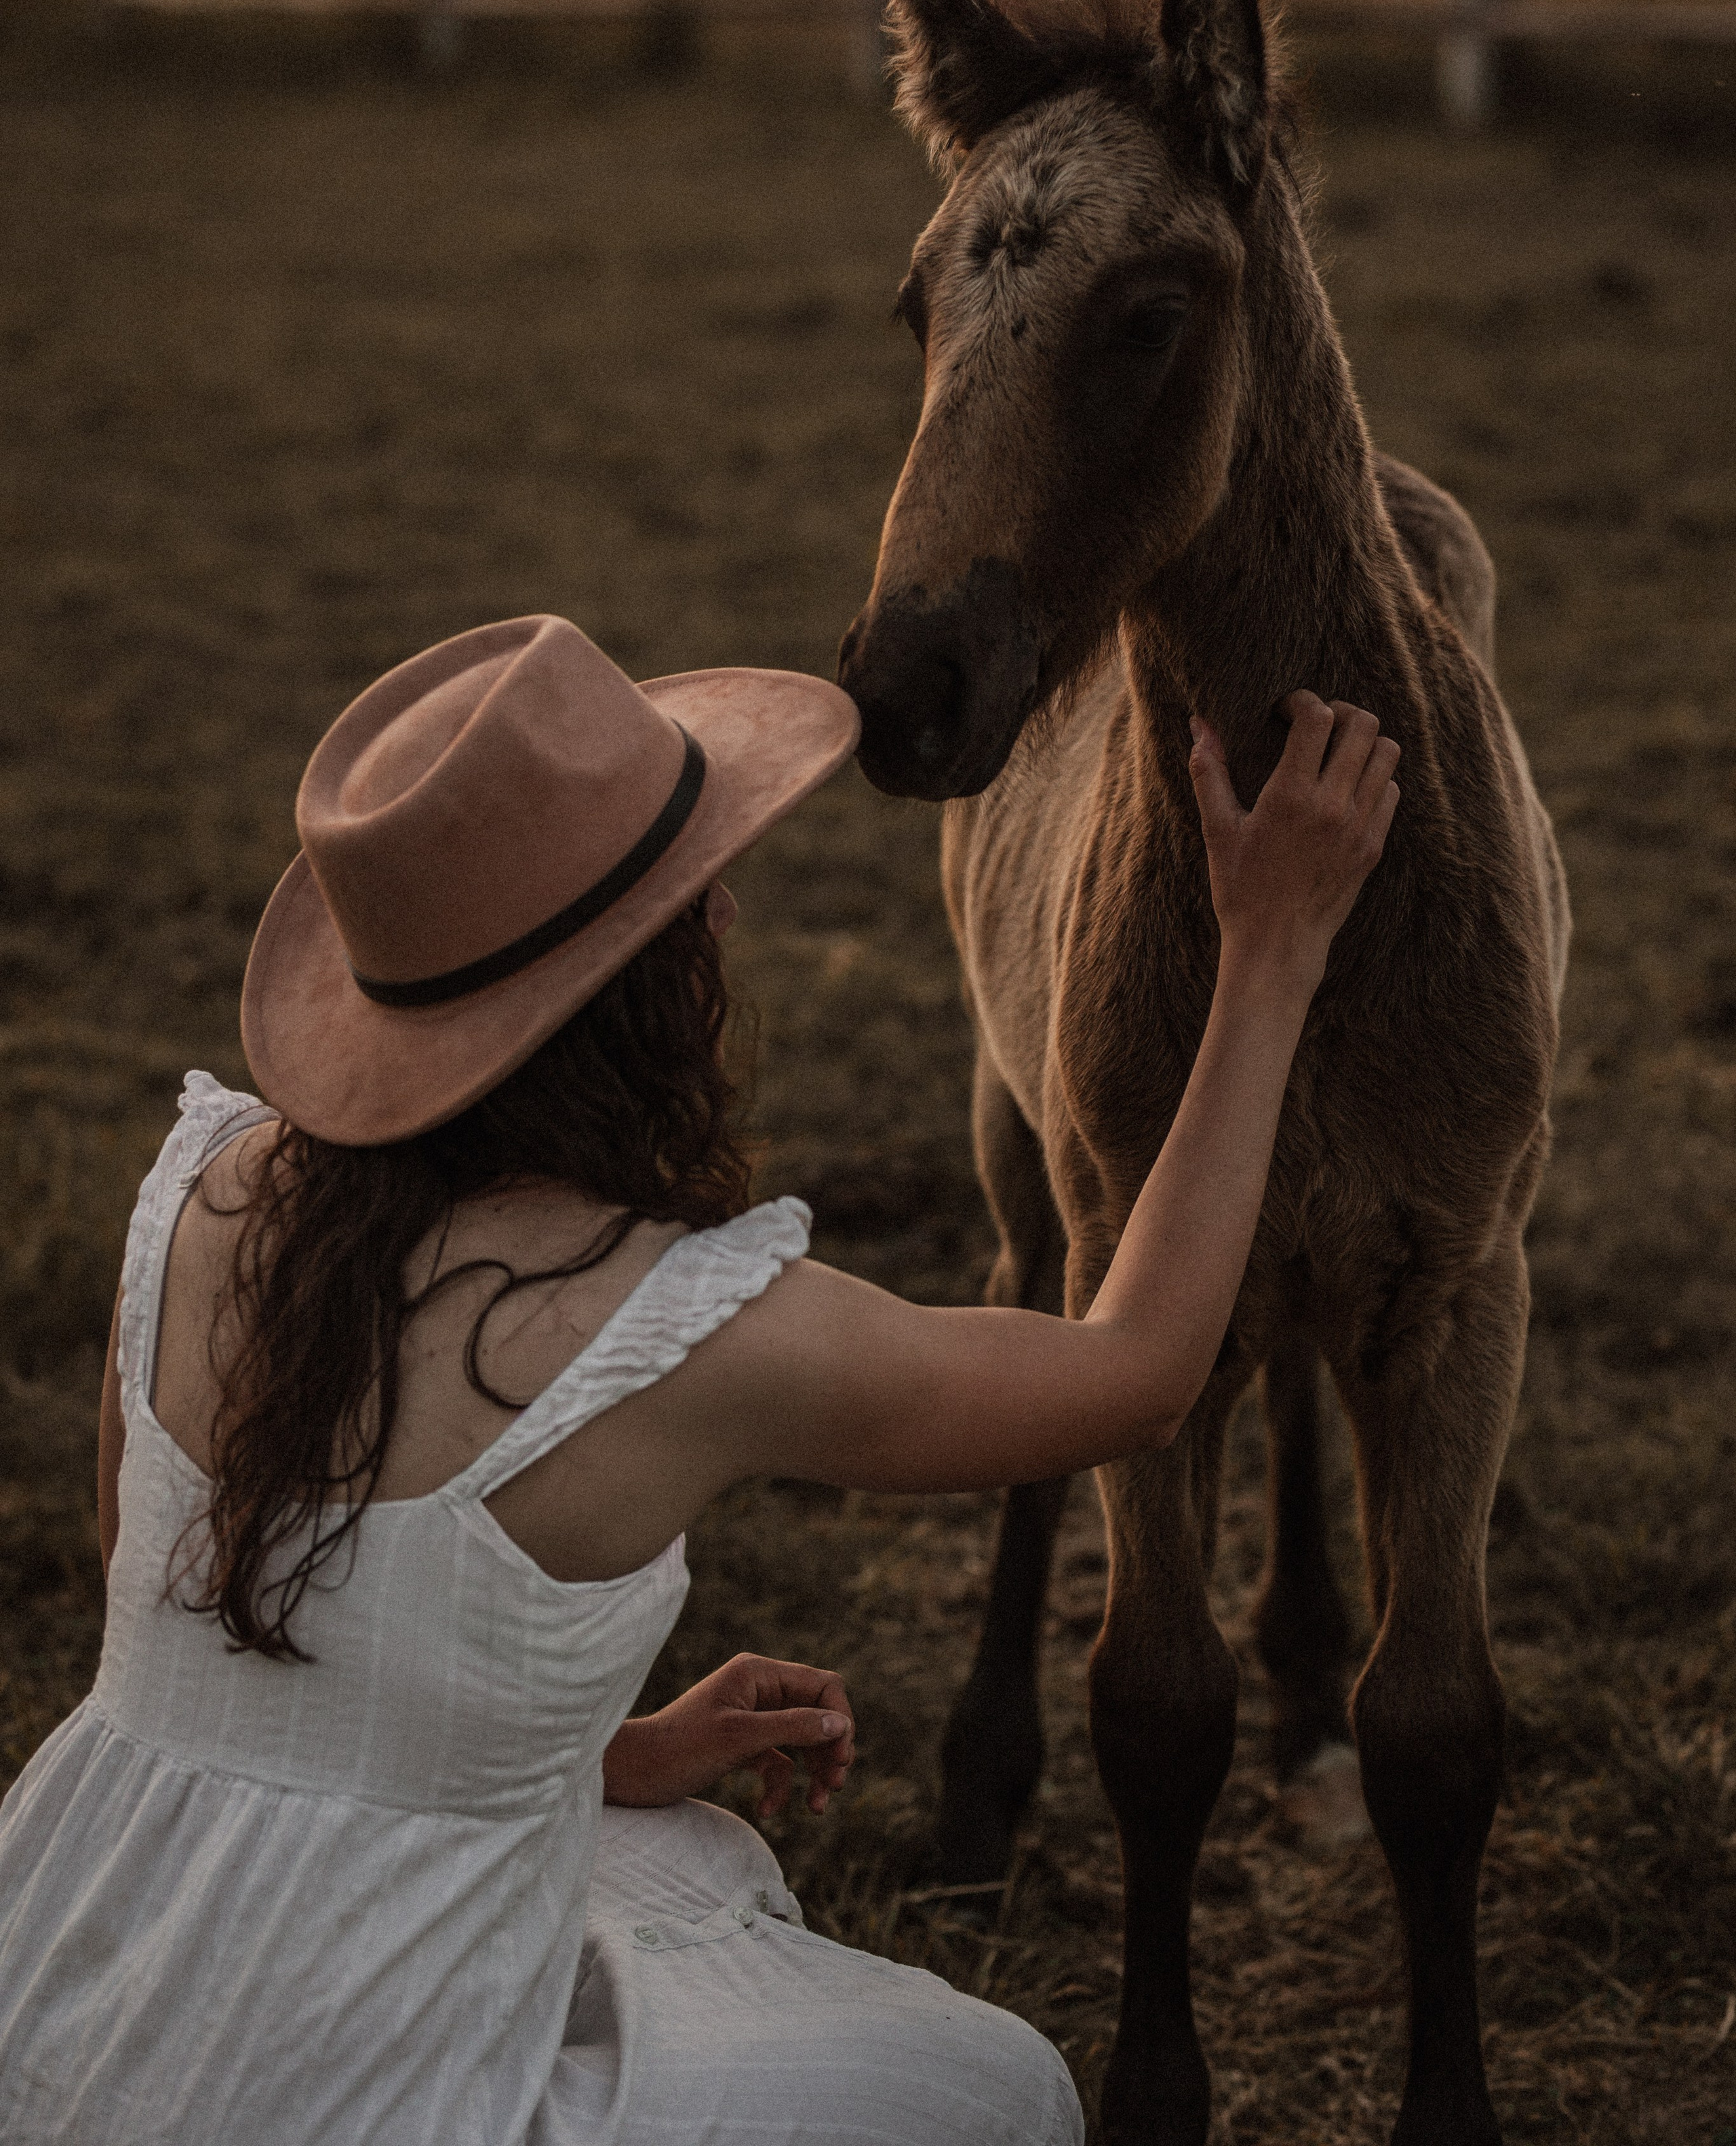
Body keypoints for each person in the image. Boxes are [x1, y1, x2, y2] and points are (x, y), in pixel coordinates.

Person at [0, 612, 1398, 2146]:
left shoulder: (201, 1190)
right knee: (996, 2092)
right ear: (627, 989)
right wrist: (1267, 953)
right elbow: (1135, 1374)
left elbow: (222, 1626)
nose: (725, 911)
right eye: (685, 899)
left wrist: (607, 1749)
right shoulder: (678, 1329)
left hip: (72, 1978)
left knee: (688, 1853)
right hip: (357, 2094)